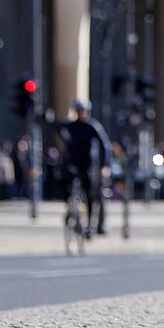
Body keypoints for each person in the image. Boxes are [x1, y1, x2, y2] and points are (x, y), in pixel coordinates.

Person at [55, 99, 113, 236]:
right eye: (81, 112)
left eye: (85, 112)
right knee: (63, 180)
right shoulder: (70, 126)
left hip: (87, 165)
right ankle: (70, 207)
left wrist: (105, 166)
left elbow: (105, 146)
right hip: (72, 163)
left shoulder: (92, 126)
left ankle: (90, 225)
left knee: (91, 194)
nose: (83, 114)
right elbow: (57, 126)